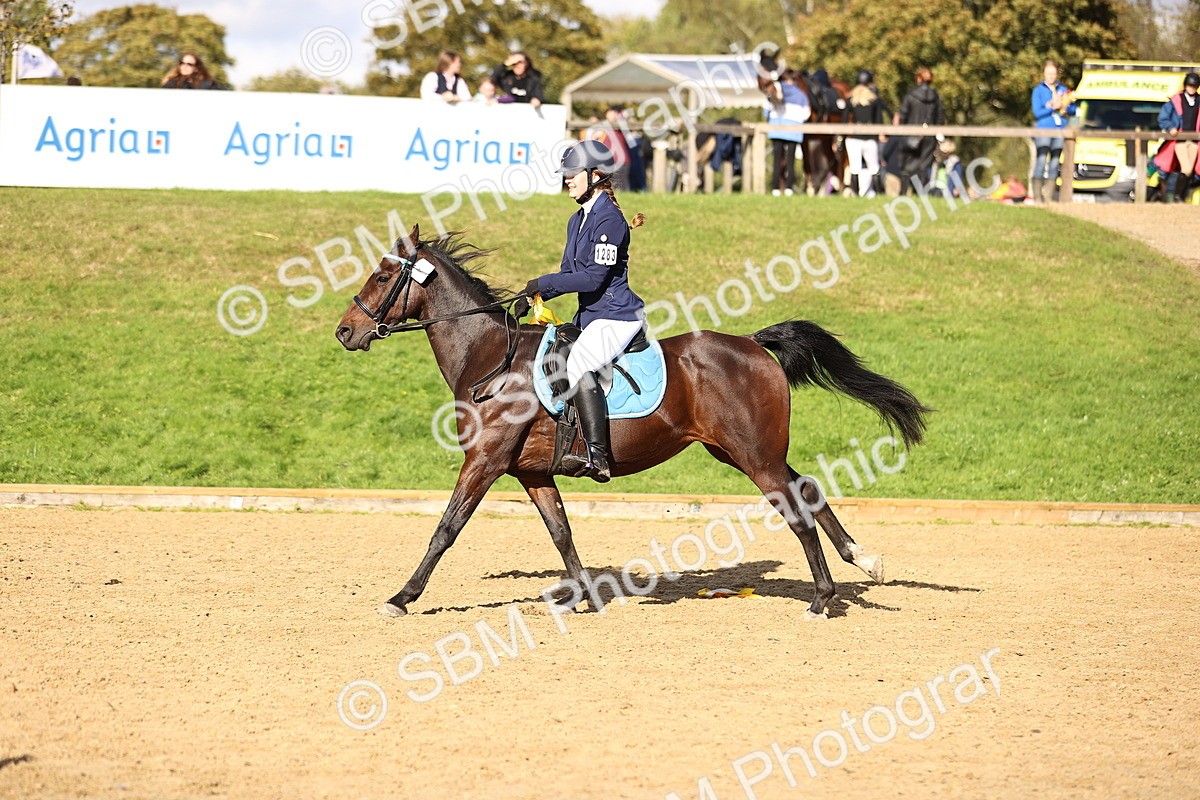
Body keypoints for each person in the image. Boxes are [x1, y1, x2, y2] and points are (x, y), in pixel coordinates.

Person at [518, 141, 646, 482]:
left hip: (617, 315)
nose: (567, 180)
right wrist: (533, 294)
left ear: (595, 175)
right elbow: (568, 273)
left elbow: (593, 278)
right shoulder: (576, 220)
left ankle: (597, 456)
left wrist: (543, 282)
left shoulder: (610, 219)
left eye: (573, 173)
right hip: (591, 317)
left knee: (577, 364)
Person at [1030, 59, 1076, 203]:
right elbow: (1037, 112)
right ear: (1044, 73)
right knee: (1041, 160)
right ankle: (1037, 197)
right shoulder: (1038, 90)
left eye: (1053, 73)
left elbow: (1073, 110)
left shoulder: (1063, 89)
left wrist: (1065, 106)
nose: (1051, 76)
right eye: (1048, 73)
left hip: (1059, 130)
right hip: (1044, 130)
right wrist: (1051, 107)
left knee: (1055, 162)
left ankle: (1049, 196)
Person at [1153, 72, 1200, 203]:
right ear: (1185, 85)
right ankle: (1177, 196)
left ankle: (1180, 196)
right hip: (1179, 140)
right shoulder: (1175, 100)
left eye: (1194, 86)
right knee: (1186, 168)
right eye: (1189, 85)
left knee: (1191, 170)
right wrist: (1170, 128)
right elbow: (1163, 118)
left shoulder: (1198, 100)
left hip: (1195, 140)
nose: (1191, 88)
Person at [898, 67, 945, 194]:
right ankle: (921, 193)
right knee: (924, 166)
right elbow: (940, 118)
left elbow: (903, 116)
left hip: (911, 135)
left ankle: (903, 192)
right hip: (929, 136)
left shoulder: (910, 95)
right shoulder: (936, 97)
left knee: (908, 165)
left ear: (918, 79)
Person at [764, 69, 811, 196]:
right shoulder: (801, 94)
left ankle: (775, 188)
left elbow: (766, 110)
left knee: (777, 160)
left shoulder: (774, 90)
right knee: (790, 160)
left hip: (776, 128)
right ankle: (789, 188)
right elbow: (806, 114)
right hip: (793, 131)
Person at [847, 69, 885, 197]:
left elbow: (844, 120)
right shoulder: (874, 100)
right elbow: (879, 120)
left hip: (854, 138)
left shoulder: (851, 99)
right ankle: (878, 193)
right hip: (870, 138)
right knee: (874, 167)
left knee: (855, 167)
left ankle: (855, 193)